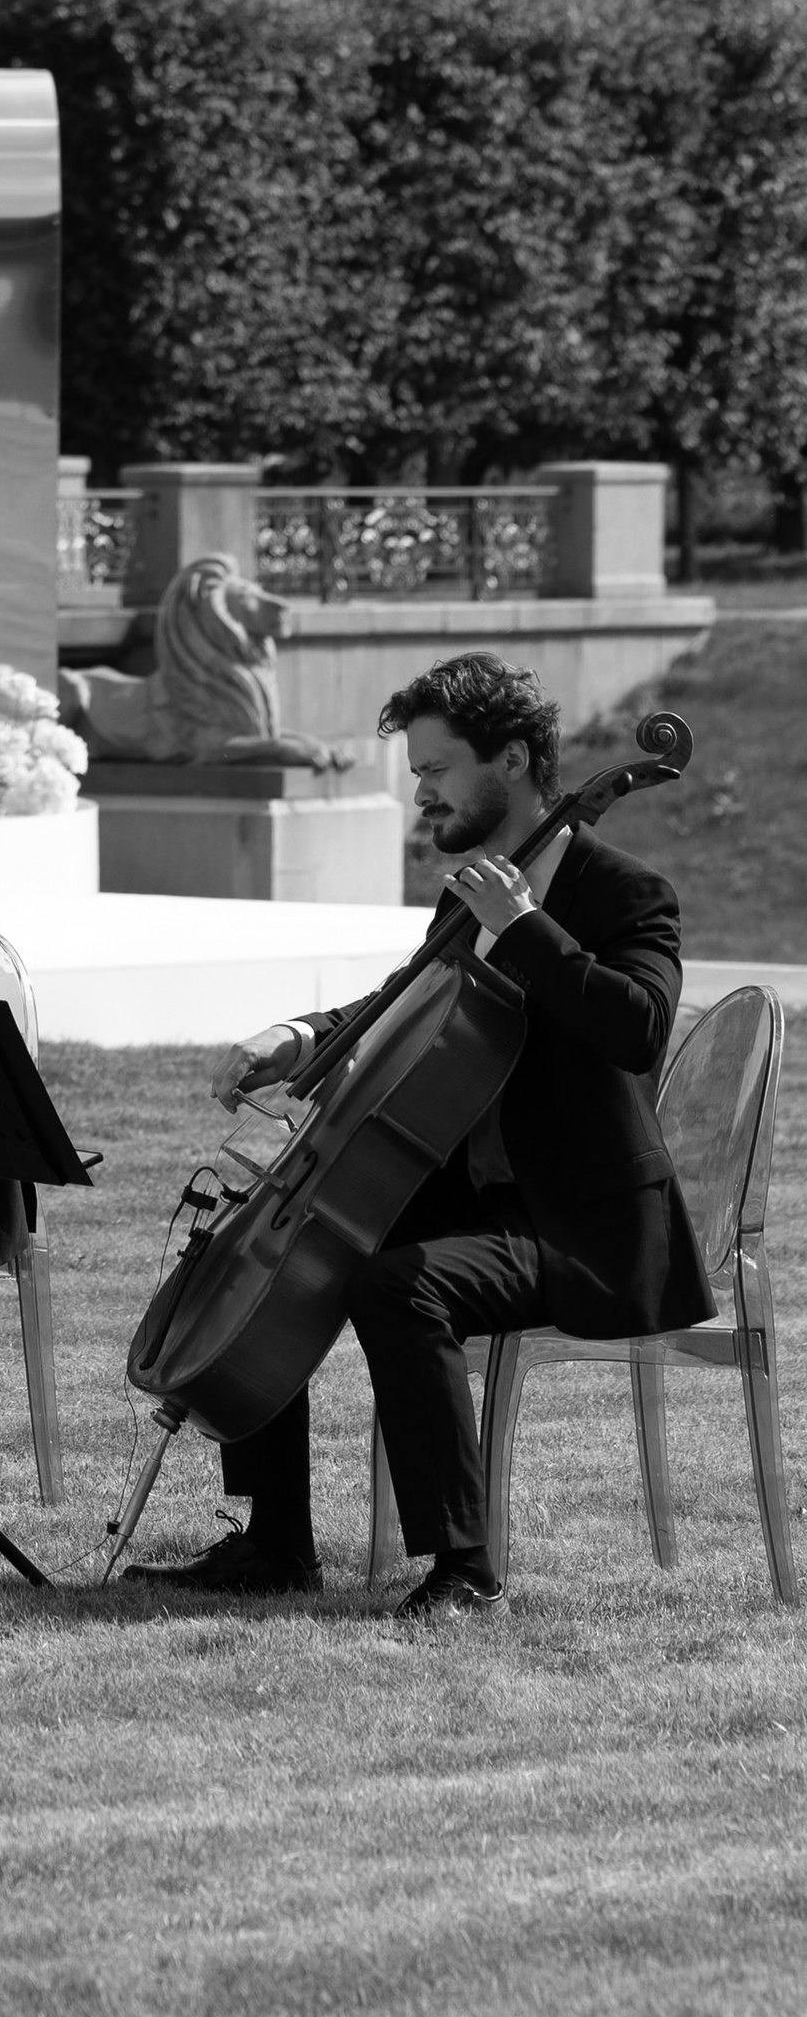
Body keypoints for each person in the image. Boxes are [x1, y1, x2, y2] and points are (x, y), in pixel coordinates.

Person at [139, 653, 707, 1616]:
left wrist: (526, 928)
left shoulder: (622, 893)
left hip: (580, 1225)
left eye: (436, 770)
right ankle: (277, 1542)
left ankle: (463, 1567)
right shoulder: (470, 893)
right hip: (470, 1199)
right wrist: (306, 1035)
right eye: (418, 775)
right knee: (281, 1257)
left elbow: (638, 1026)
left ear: (516, 762)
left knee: (402, 1286)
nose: (423, 794)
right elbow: (407, 1001)